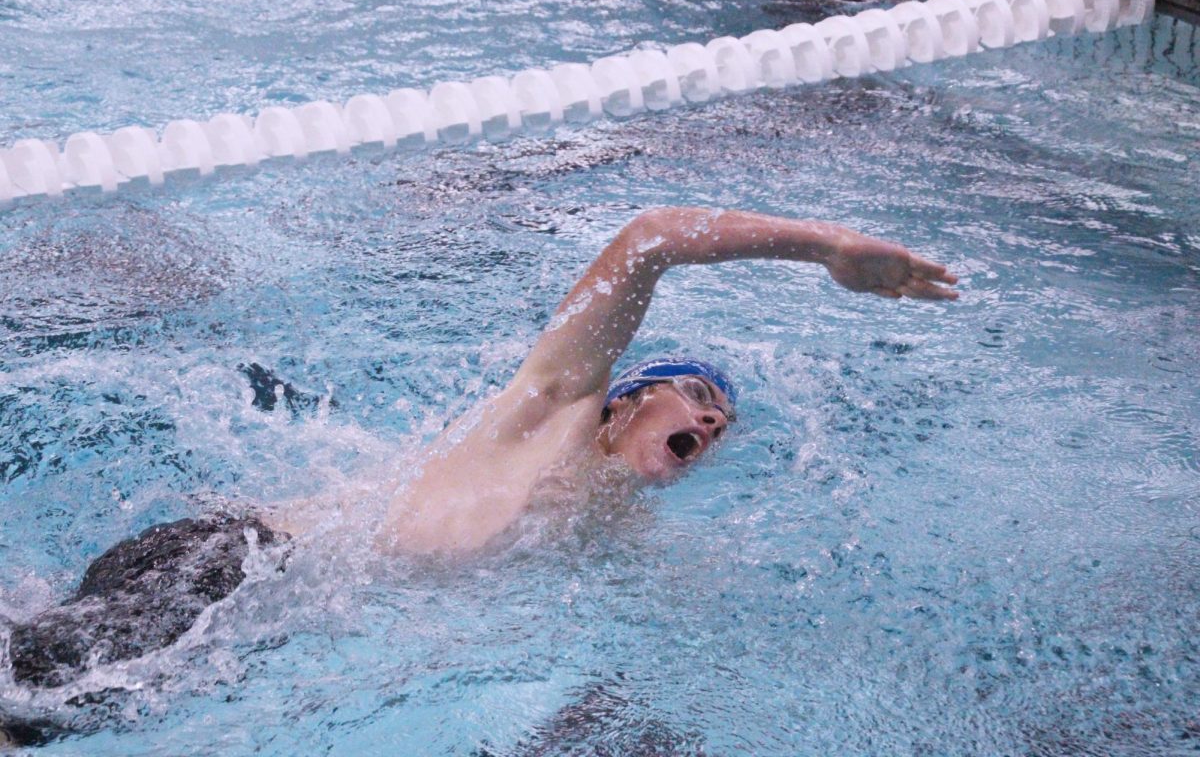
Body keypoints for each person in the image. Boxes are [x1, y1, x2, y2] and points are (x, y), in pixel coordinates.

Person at [1, 206, 957, 742]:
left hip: (256, 615)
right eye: (696, 395)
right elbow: (648, 239)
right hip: (232, 565)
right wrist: (823, 249)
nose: (710, 419)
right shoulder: (557, 405)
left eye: (722, 422)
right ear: (629, 399)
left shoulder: (608, 530)